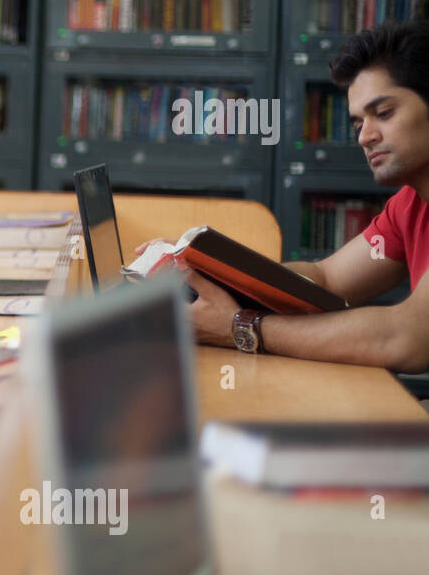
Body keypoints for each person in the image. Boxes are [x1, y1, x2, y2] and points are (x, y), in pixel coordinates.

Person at [147, 20, 429, 372]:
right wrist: (206, 271)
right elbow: (326, 279)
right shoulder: (410, 205)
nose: (365, 137)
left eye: (383, 113)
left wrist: (239, 326)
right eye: (358, 124)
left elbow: (408, 338)